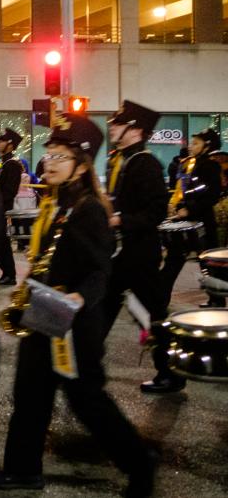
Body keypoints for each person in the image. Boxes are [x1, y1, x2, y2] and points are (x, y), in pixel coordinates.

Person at [0, 113, 157, 495]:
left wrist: (81, 298)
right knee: (30, 393)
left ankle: (138, 461)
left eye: (60, 156)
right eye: (49, 153)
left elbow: (100, 269)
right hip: (43, 311)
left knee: (87, 401)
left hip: (72, 322)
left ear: (81, 165)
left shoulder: (90, 210)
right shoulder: (56, 204)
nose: (50, 162)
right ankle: (22, 468)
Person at [98, 101, 175, 393]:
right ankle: (86, 362)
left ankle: (170, 372)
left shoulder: (146, 163)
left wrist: (121, 220)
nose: (112, 128)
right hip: (121, 253)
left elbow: (156, 212)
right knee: (104, 304)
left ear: (136, 130)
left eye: (118, 124)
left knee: (153, 313)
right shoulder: (120, 160)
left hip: (140, 254)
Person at [174, 128, 223, 309]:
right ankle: (213, 299)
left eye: (196, 143)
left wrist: (189, 209)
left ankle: (216, 300)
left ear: (207, 146)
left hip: (204, 221)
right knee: (202, 261)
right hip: (194, 218)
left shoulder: (210, 165)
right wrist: (181, 206)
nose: (191, 146)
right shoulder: (195, 164)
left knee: (210, 262)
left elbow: (212, 196)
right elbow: (191, 193)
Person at [0, 128, 25, 285]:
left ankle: (9, 275)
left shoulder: (12, 164)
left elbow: (10, 191)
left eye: (2, 141)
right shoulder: (4, 163)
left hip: (2, 209)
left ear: (10, 144)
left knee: (2, 244)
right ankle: (7, 274)